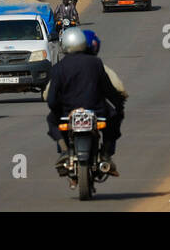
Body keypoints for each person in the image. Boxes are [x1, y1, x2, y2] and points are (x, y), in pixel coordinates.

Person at [46, 27, 126, 178]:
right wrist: (119, 106)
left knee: (51, 120)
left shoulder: (58, 68)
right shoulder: (95, 63)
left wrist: (57, 110)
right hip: (97, 111)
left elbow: (51, 99)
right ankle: (107, 154)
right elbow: (109, 90)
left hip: (67, 113)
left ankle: (64, 150)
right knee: (114, 118)